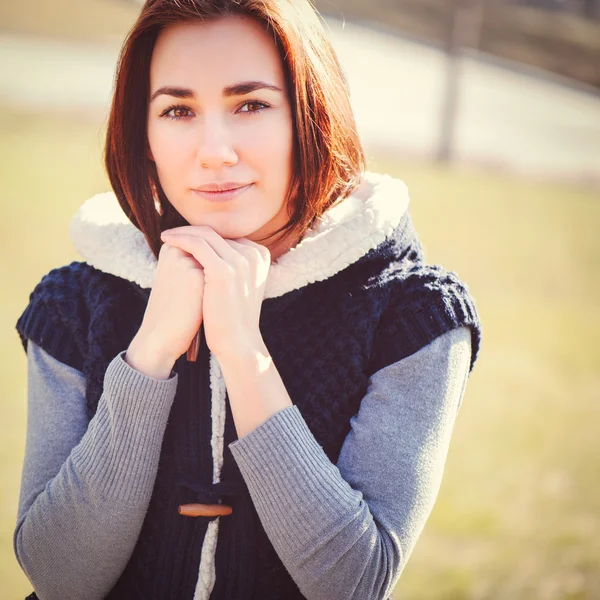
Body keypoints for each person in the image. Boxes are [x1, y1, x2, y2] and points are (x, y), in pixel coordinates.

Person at [13, 1, 482, 599]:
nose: (214, 150)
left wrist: (243, 352)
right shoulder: (73, 302)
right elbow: (58, 578)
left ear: (311, 116)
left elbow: (355, 584)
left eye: (251, 104)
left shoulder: (414, 314)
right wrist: (150, 353)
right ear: (144, 135)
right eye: (178, 109)